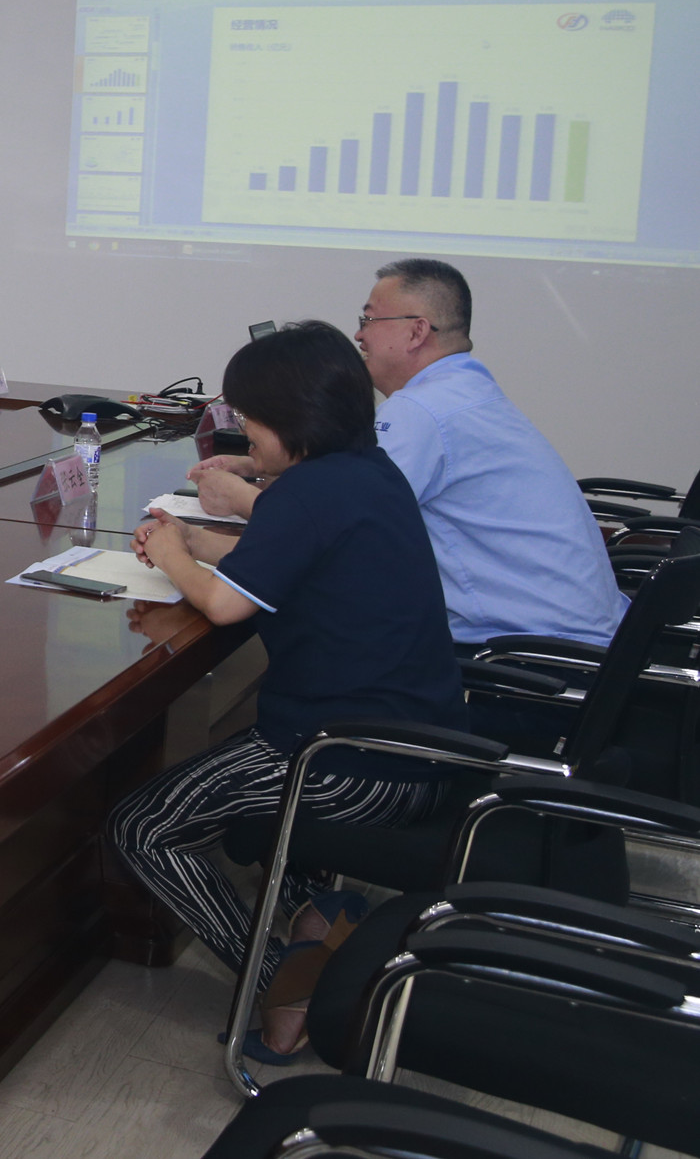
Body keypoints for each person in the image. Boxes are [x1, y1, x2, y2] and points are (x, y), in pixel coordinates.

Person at [107, 321, 466, 1061]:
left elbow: (224, 605)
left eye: (249, 418)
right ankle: (319, 916)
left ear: (289, 419)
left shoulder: (306, 493)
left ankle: (280, 982)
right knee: (243, 775)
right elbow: (289, 552)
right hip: (425, 743)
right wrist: (198, 547)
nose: (245, 433)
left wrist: (173, 555)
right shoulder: (363, 471)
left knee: (142, 828)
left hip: (349, 760)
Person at [189, 258, 621, 649]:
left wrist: (238, 496)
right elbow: (346, 494)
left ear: (417, 331)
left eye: (369, 319)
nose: (359, 334)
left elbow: (329, 527)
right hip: (577, 633)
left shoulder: (423, 410)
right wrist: (257, 462)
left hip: (529, 652)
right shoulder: (460, 390)